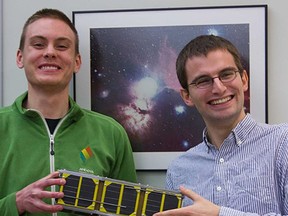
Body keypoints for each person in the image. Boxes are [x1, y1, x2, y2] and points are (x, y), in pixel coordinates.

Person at [0, 8, 137, 216]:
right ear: (20, 58)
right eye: (38, 44)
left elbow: (130, 211)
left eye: (62, 46)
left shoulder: (111, 134)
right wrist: (16, 203)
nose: (50, 52)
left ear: (77, 62)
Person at [153, 35, 288, 216]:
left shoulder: (283, 143)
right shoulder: (178, 170)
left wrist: (219, 214)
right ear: (186, 96)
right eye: (203, 80)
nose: (219, 88)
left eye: (226, 74)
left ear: (244, 79)